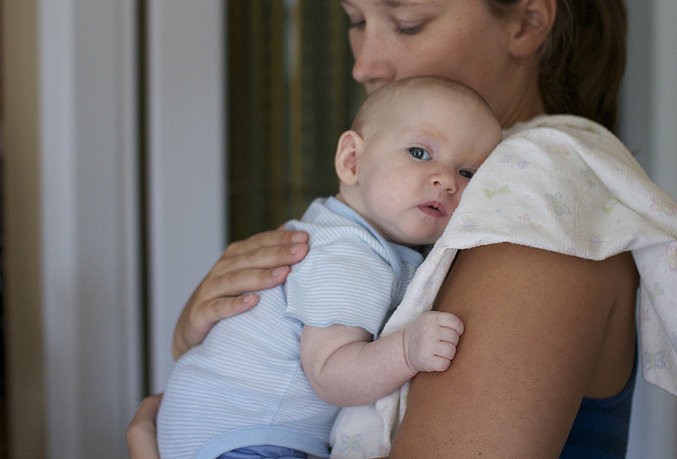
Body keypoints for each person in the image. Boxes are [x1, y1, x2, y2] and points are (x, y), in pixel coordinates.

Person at [130, 0, 677, 458]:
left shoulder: (542, 207)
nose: (365, 64)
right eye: (356, 21)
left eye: (406, 24)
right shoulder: (429, 207)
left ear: (527, 22)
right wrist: (208, 335)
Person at [157, 76, 502, 459]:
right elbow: (330, 374)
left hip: (223, 426)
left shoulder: (344, 230)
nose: (447, 181)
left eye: (468, 173)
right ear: (352, 160)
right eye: (420, 152)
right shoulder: (350, 254)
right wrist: (406, 351)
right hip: (243, 433)